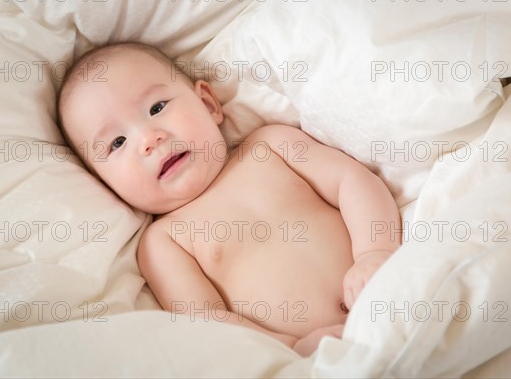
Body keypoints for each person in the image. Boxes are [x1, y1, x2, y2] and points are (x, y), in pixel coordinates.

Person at [57, 42, 401, 356]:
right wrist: (292, 347)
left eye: (157, 107)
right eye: (117, 143)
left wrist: (374, 252)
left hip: (393, 289)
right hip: (316, 358)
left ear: (208, 104)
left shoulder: (271, 146)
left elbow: (352, 181)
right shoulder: (163, 242)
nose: (149, 138)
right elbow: (206, 321)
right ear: (104, 183)